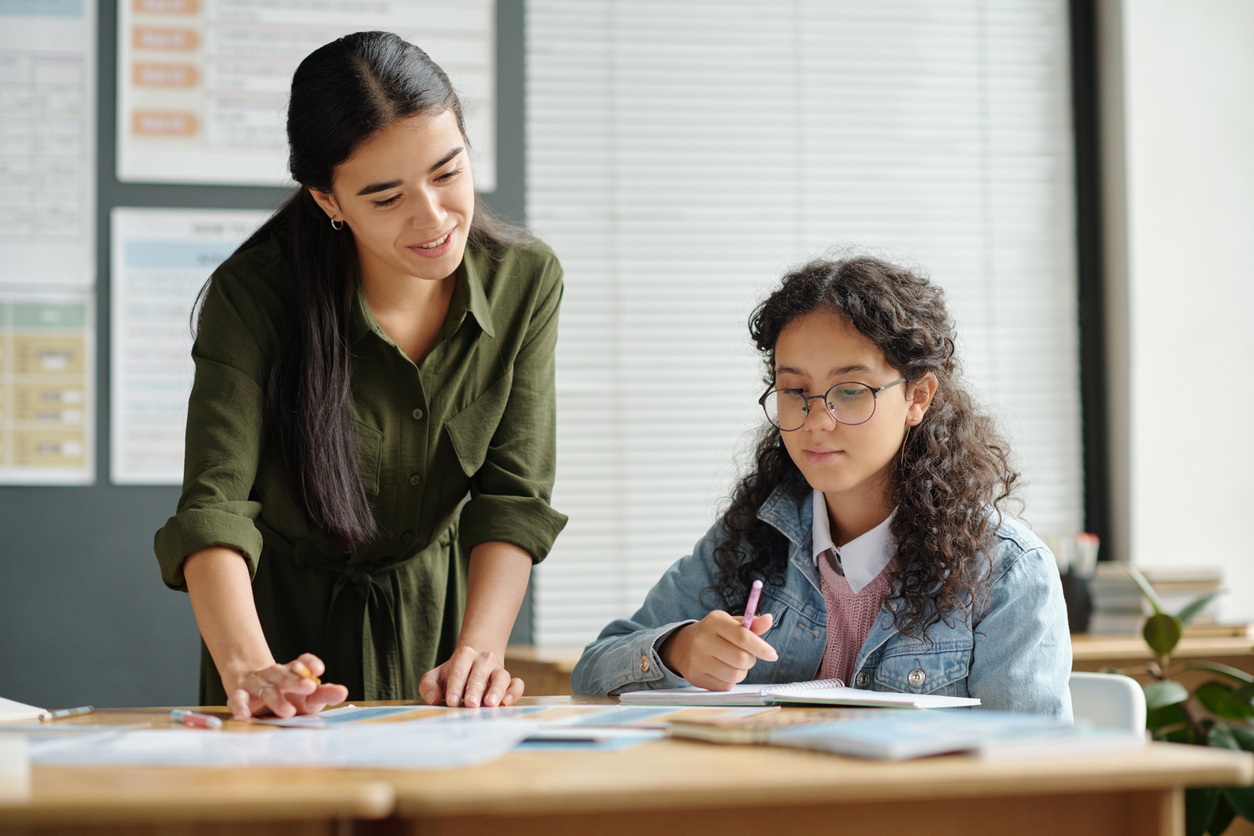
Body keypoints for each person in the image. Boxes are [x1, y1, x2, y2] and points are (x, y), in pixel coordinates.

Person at [154, 31, 567, 719]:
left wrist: (480, 655)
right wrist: (251, 668)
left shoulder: (526, 282)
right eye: (385, 197)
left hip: (431, 626)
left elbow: (513, 497)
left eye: (448, 171)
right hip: (273, 633)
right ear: (328, 201)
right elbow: (213, 507)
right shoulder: (253, 295)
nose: (434, 218)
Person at [571, 256, 1072, 716]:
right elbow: (593, 670)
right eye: (795, 391)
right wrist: (678, 651)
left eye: (850, 391)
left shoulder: (1005, 571)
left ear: (918, 396)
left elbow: (1032, 777)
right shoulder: (752, 539)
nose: (817, 420)